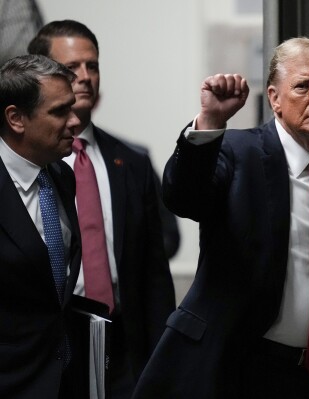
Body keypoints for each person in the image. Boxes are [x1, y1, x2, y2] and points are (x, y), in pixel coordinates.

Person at [133, 37, 309, 399]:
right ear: (274, 98)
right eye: (302, 85)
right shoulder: (238, 152)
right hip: (252, 370)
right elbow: (183, 197)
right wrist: (210, 122)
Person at [28, 20, 176, 398]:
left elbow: (154, 271)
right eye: (71, 68)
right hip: (47, 344)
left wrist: (164, 357)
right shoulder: (26, 161)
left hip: (123, 345)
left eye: (92, 66)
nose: (85, 77)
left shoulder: (131, 161)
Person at [0, 54, 81, 398]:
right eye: (60, 111)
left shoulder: (60, 175)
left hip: (62, 378)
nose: (76, 121)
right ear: (16, 118)